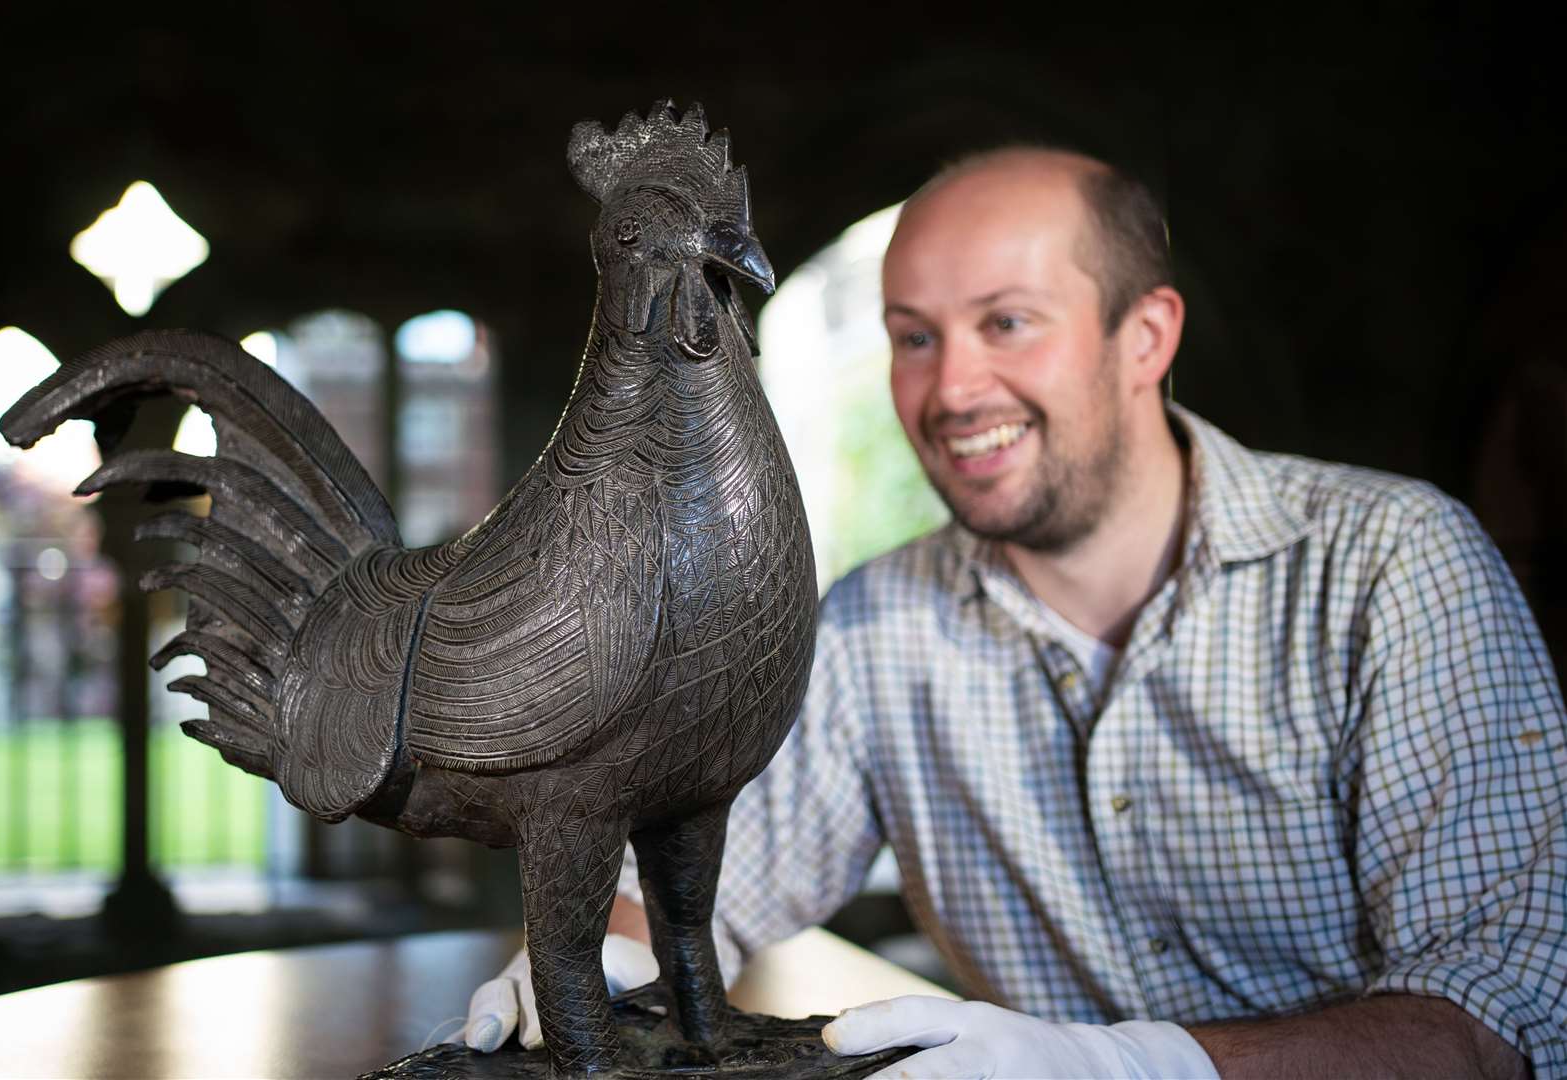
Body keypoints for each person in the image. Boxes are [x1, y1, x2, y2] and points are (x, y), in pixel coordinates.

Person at [455, 147, 1565, 1078]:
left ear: (1148, 338)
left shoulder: (1393, 564)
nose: (951, 390)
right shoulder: (876, 627)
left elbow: (1502, 1015)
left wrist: (1130, 1067)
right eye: (914, 335)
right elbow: (689, 902)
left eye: (1009, 322)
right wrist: (595, 963)